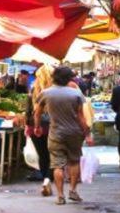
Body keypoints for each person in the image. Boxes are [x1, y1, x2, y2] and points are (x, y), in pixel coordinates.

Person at [35, 66, 91, 205]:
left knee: (57, 165)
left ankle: (60, 196)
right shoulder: (76, 94)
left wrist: (37, 127)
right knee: (74, 161)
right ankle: (73, 191)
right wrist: (88, 133)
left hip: (56, 133)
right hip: (74, 133)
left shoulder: (46, 93)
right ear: (68, 78)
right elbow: (81, 117)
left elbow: (37, 113)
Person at [26, 65, 54, 195]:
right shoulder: (55, 90)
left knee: (42, 155)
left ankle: (45, 177)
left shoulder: (33, 89)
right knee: (52, 154)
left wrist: (28, 124)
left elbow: (28, 110)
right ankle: (49, 178)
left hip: (35, 126)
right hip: (52, 126)